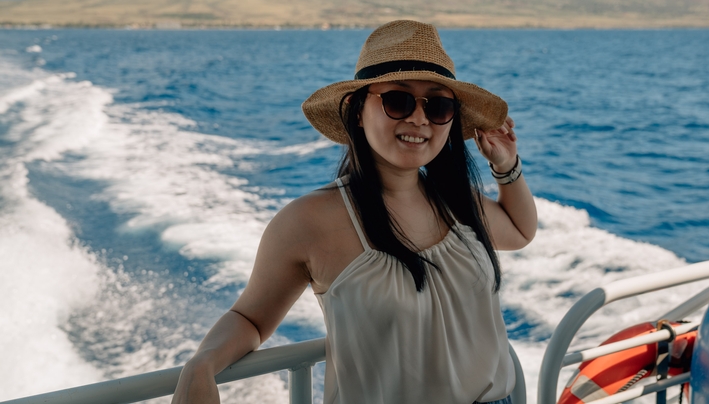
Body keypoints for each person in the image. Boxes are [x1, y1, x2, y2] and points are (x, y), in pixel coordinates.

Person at [171, 20, 538, 404]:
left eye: (438, 105)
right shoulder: (309, 221)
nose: (418, 118)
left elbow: (520, 230)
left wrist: (506, 166)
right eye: (398, 100)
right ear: (357, 110)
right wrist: (202, 363)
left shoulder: (458, 202)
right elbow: (251, 318)